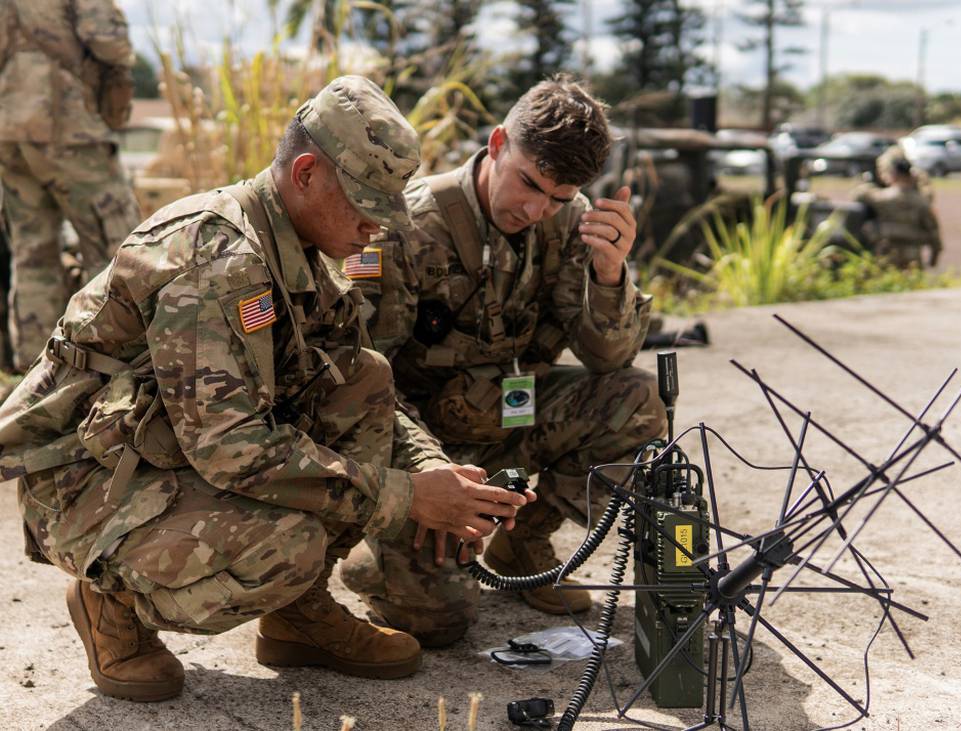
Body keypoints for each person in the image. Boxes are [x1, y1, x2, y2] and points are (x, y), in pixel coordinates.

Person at [0, 76, 531, 702]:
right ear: (306, 174)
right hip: (87, 481)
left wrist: (433, 470)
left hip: (165, 447)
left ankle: (298, 614)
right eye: (365, 204)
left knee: (362, 377)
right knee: (287, 547)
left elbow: (361, 388)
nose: (377, 226)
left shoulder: (300, 250)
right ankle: (110, 601)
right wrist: (405, 497)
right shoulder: (215, 261)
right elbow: (231, 449)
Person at [342, 76, 665, 646]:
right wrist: (431, 483)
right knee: (438, 623)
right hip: (426, 445)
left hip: (514, 418)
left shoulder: (571, 222)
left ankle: (523, 542)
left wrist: (610, 274)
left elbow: (608, 358)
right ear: (497, 144)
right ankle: (375, 554)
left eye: (559, 197)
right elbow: (366, 382)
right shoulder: (406, 228)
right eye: (529, 183)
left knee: (638, 399)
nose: (537, 209)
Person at [0, 0, 142, 373]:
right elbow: (108, 39)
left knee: (32, 254)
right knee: (118, 248)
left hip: (10, 127)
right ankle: (107, 369)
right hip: (68, 126)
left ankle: (34, 375)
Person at [855, 150, 942, 269]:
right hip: (913, 257)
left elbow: (859, 194)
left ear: (893, 175)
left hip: (887, 255)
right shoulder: (921, 202)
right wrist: (933, 258)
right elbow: (934, 232)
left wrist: (867, 183)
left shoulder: (882, 198)